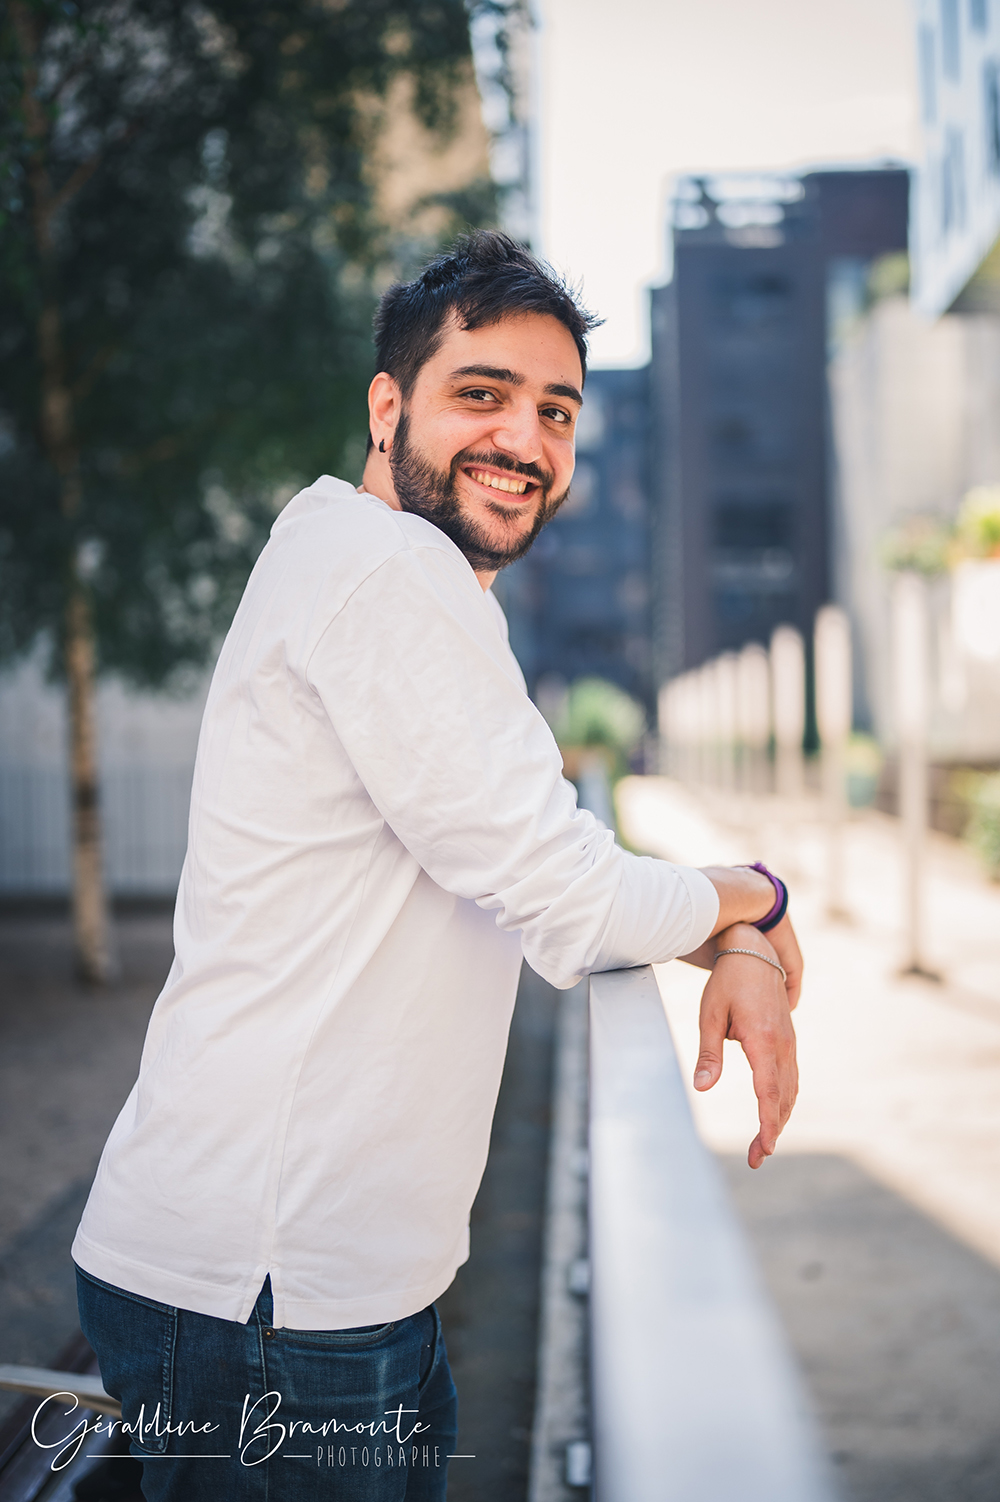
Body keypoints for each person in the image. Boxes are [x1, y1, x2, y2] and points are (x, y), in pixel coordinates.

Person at [71, 231, 802, 1501]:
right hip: (269, 1297)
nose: (525, 438)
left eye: (555, 410)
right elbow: (573, 900)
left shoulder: (358, 557)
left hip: (306, 1280)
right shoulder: (386, 569)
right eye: (482, 393)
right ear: (387, 405)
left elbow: (537, 856)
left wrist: (715, 927)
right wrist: (758, 894)